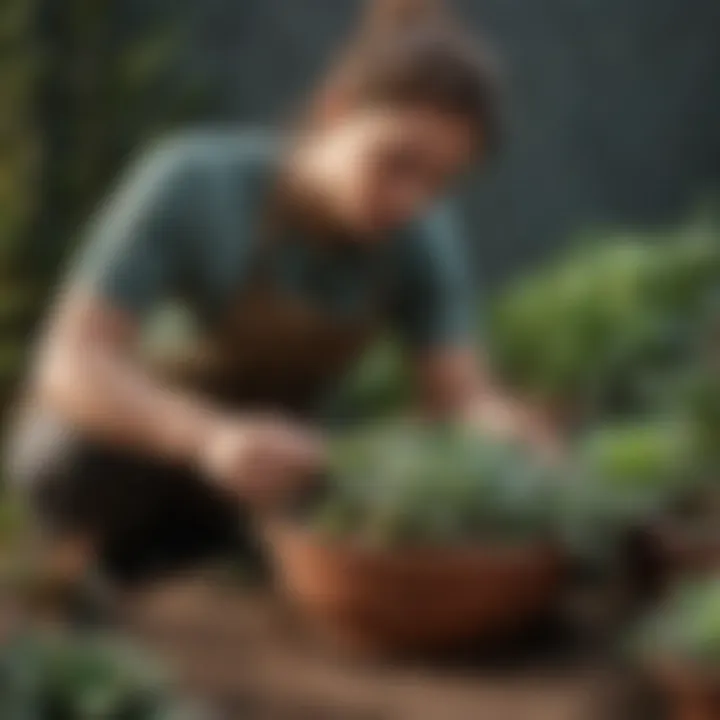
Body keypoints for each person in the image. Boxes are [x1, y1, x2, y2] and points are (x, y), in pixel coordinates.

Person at [8, 0, 552, 588]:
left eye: (438, 181)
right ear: (335, 109)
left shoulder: (424, 235)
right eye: (394, 162)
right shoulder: (194, 180)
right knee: (60, 463)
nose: (408, 201)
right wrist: (207, 436)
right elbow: (70, 363)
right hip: (137, 453)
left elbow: (458, 399)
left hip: (271, 475)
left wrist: (509, 433)